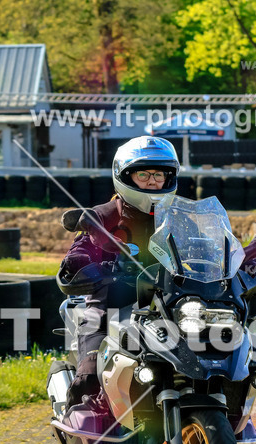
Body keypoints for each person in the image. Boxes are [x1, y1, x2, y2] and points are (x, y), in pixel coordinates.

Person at [57, 136, 180, 420]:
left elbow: (207, 248)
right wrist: (80, 261)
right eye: (144, 174)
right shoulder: (105, 216)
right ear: (125, 176)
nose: (152, 181)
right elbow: (82, 245)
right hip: (112, 304)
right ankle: (82, 426)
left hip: (171, 304)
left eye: (159, 174)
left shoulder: (179, 217)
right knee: (90, 373)